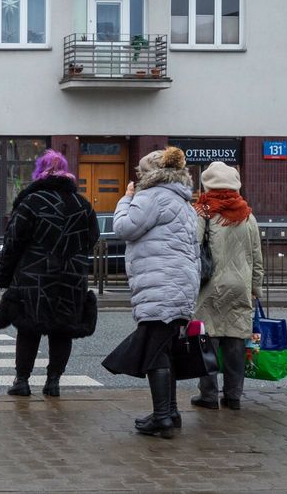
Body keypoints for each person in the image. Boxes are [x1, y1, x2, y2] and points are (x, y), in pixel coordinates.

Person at [102, 146, 200, 439]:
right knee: (165, 349)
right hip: (180, 285)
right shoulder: (183, 200)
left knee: (155, 352)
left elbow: (124, 228)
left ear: (150, 174)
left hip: (159, 284)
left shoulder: (151, 196)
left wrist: (126, 198)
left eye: (140, 173)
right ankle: (170, 411)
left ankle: (162, 417)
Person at [0, 150, 99, 397]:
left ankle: (22, 381)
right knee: (62, 331)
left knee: (29, 329)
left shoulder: (31, 202)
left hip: (33, 277)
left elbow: (13, 242)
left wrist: (4, 274)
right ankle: (53, 382)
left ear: (39, 172)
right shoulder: (82, 205)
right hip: (70, 278)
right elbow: (92, 238)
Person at [191, 161, 264, 411]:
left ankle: (208, 395)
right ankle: (233, 396)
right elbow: (257, 255)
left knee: (207, 342)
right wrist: (256, 286)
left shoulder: (204, 211)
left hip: (210, 285)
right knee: (235, 343)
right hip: (240, 286)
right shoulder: (247, 214)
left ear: (207, 183)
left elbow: (193, 247)